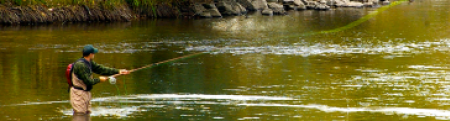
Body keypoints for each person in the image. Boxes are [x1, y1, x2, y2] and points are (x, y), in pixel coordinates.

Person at [70, 45, 130, 115]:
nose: (94, 54)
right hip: (78, 94)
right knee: (79, 115)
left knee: (87, 115)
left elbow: (101, 69)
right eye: (93, 53)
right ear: (90, 54)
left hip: (86, 93)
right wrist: (99, 80)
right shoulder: (81, 65)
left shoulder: (89, 62)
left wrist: (119, 71)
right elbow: (88, 81)